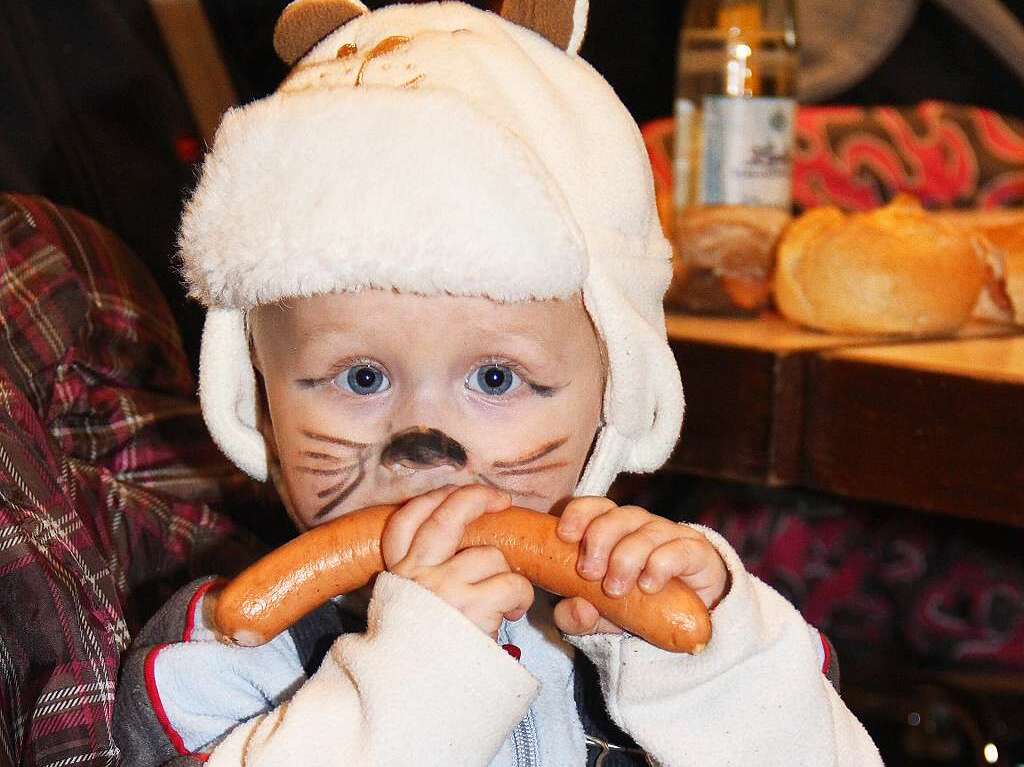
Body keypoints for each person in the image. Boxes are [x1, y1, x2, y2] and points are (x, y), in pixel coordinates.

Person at [112, 1, 882, 764]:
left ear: (614, 391)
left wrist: (713, 670)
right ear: (263, 404)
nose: (422, 440)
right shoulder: (226, 658)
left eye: (494, 375)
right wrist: (417, 684)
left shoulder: (642, 620)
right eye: (362, 374)